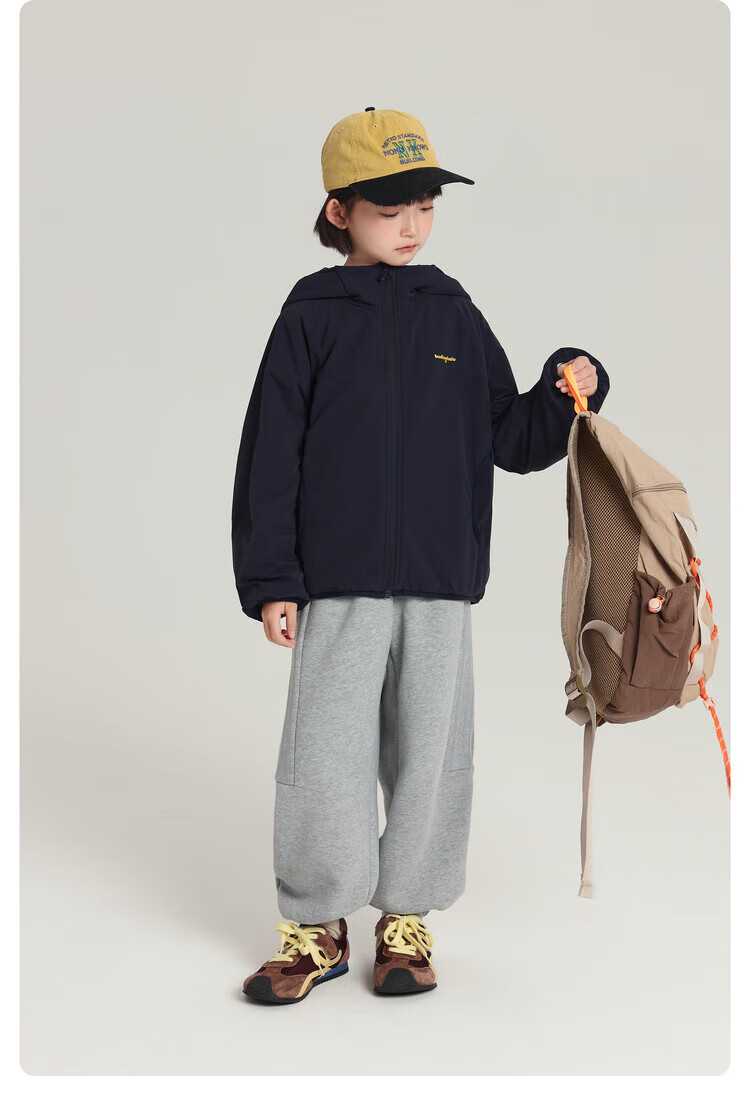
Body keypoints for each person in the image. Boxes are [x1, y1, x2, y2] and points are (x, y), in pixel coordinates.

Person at [231, 106, 611, 1004]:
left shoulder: (453, 310)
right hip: (338, 581)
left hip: (439, 583)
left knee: (431, 755)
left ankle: (405, 919)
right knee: (324, 756)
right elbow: (269, 453)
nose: (411, 225)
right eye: (390, 207)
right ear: (339, 212)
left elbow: (510, 436)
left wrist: (566, 385)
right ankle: (317, 925)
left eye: (427, 206)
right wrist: (274, 579)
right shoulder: (310, 315)